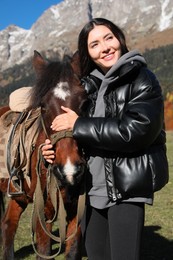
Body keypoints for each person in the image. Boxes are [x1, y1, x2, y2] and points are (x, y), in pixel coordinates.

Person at [42, 18, 169, 260]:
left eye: (109, 38)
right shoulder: (88, 88)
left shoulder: (142, 78)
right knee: (96, 254)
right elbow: (80, 135)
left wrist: (79, 124)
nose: (105, 47)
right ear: (89, 53)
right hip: (92, 189)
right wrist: (54, 149)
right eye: (95, 44)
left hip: (125, 190)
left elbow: (136, 131)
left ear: (119, 40)